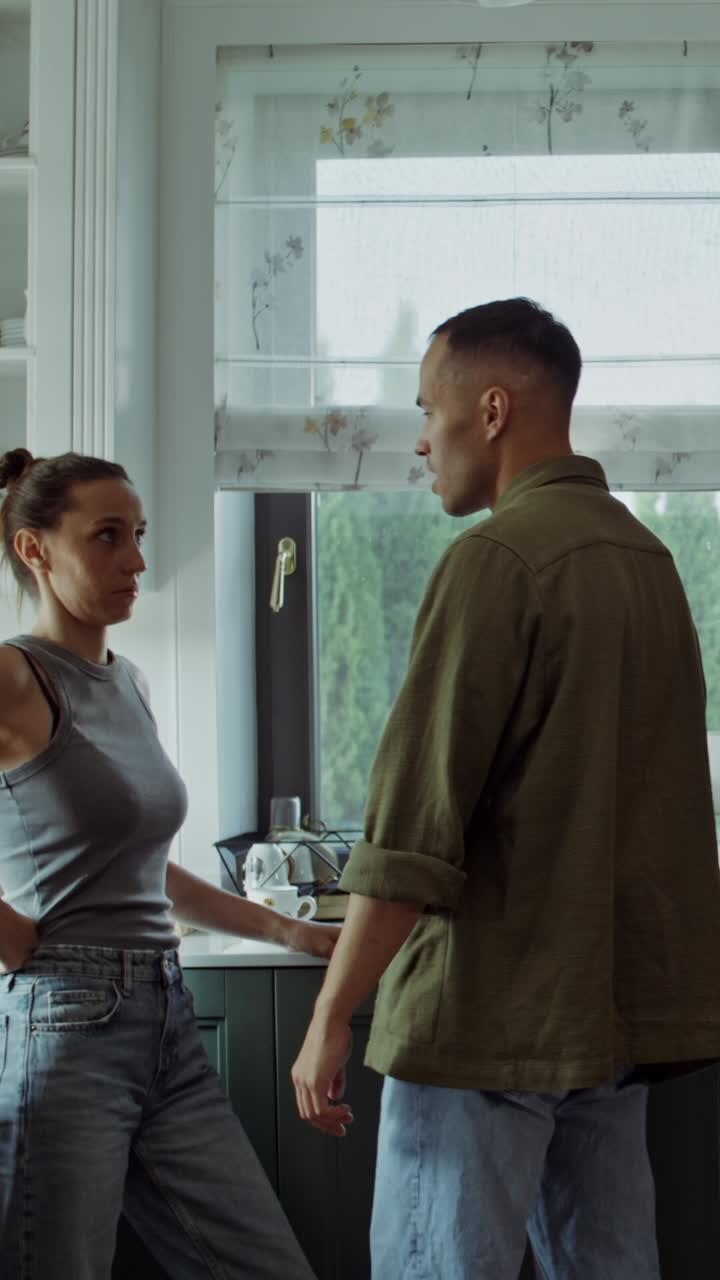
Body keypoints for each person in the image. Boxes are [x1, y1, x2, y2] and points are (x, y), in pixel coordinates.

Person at [291, 298, 720, 1279]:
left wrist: (328, 1018)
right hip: (606, 1026)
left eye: (426, 410)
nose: (419, 442)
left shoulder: (494, 560)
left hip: (484, 1024)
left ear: (490, 409)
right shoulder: (645, 561)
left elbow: (413, 832)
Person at [0, 447, 339, 1279]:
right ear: (34, 549)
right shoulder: (13, 675)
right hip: (65, 1021)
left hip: (166, 1024)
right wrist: (12, 939)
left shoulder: (131, 684)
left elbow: (138, 863)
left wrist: (294, 932)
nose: (139, 561)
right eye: (108, 536)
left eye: (140, 534)